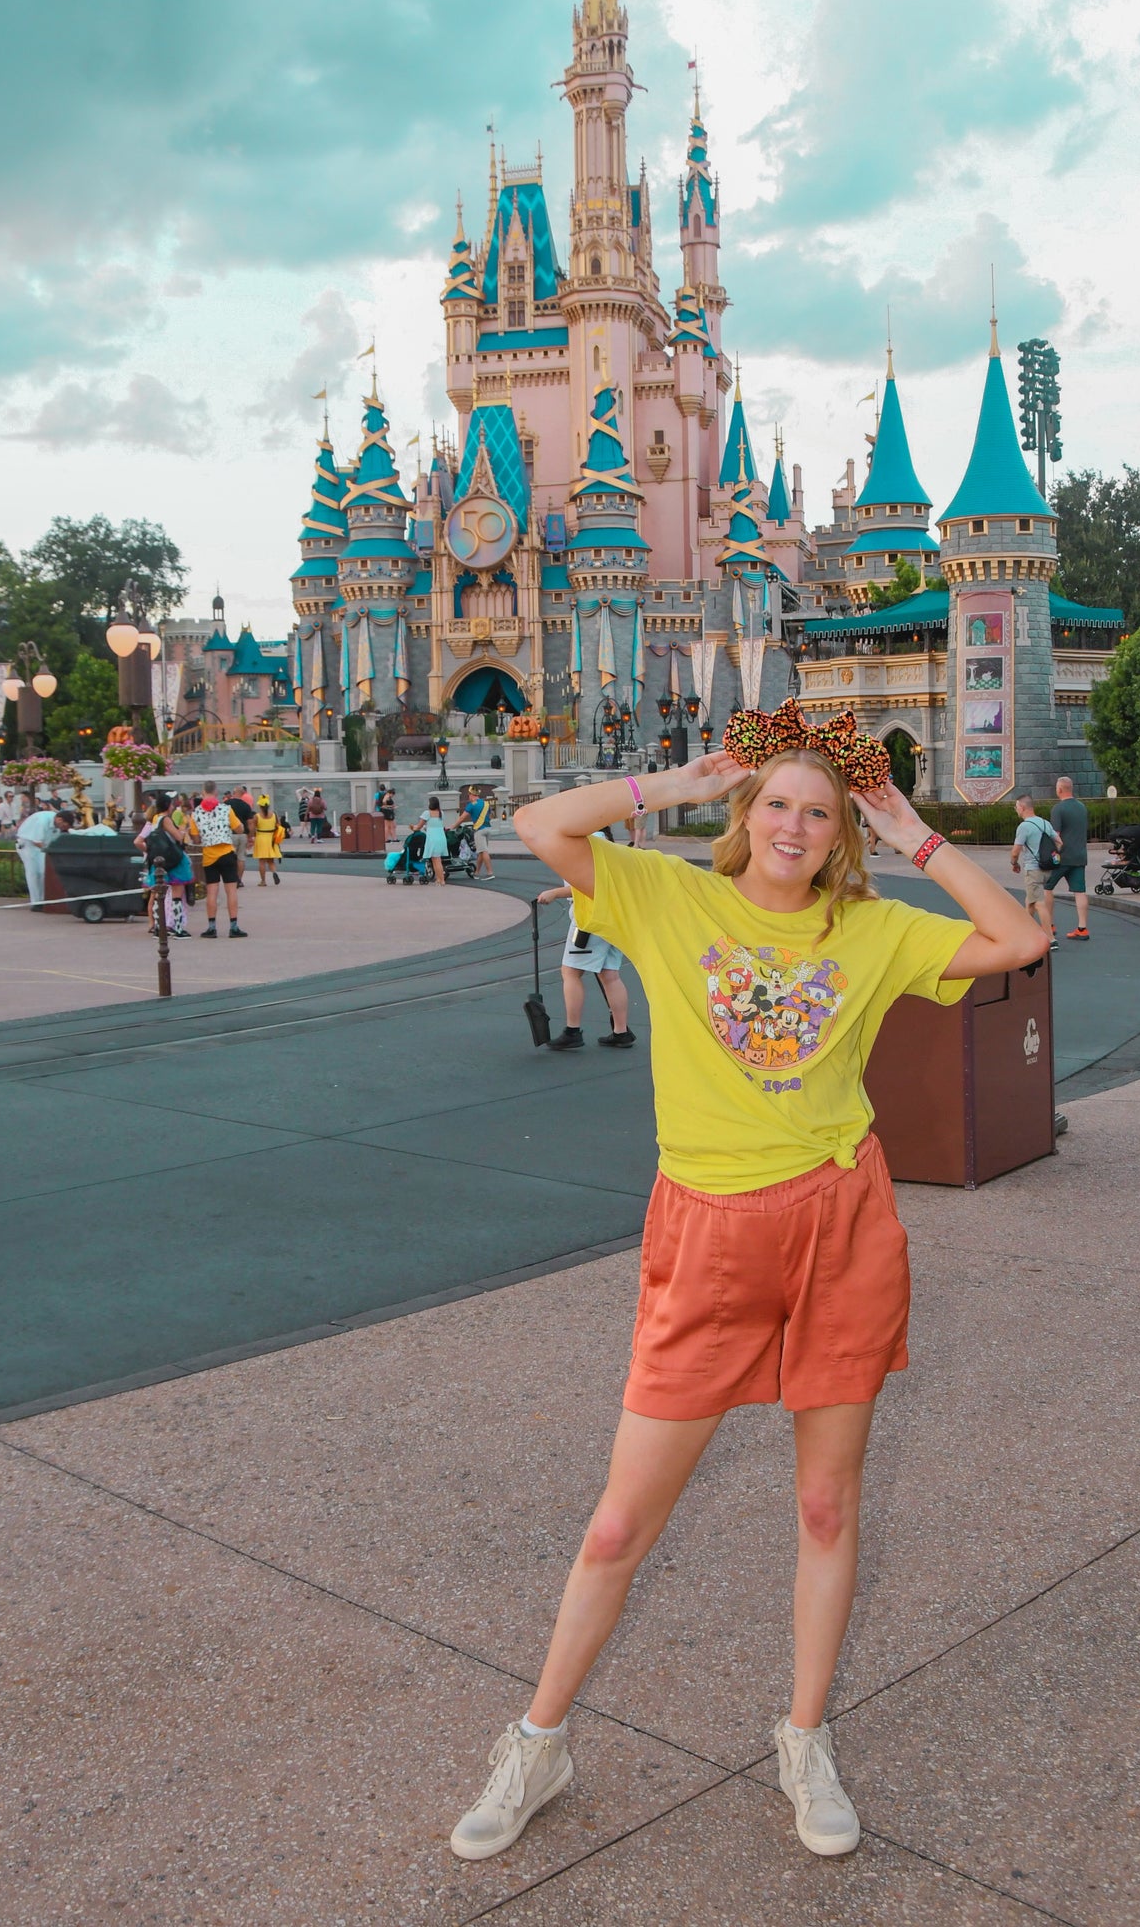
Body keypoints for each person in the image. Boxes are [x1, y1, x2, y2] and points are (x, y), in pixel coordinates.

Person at [449, 725, 1047, 1863]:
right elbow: (536, 827)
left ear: (838, 835)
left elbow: (1016, 936)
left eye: (817, 812)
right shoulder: (671, 897)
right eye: (776, 804)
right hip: (708, 1232)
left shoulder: (872, 930)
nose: (792, 826)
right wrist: (669, 784)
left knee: (825, 1505)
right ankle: (538, 1739)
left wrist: (910, 829)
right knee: (621, 1519)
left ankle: (803, 1734)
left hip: (838, 1224)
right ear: (745, 812)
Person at [535, 879, 635, 1050]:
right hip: (615, 914)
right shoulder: (610, 851)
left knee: (570, 972)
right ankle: (621, 1032)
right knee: (610, 974)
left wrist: (555, 893)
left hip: (589, 917)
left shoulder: (586, 851)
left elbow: (590, 885)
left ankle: (572, 1031)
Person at [190, 786, 247, 937]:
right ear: (216, 793)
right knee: (231, 891)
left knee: (212, 892)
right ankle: (233, 927)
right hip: (227, 852)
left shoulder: (195, 813)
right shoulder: (226, 809)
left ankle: (211, 927)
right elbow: (239, 828)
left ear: (203, 793)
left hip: (209, 855)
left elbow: (195, 838)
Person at [137, 790, 193, 936]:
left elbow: (140, 841)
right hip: (173, 860)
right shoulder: (165, 820)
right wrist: (182, 832)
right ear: (168, 806)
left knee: (158, 895)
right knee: (177, 896)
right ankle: (178, 928)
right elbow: (177, 837)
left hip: (158, 861)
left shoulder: (154, 820)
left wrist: (148, 851)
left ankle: (158, 927)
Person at [1009, 792, 1059, 947]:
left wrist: (1014, 863)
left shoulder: (1024, 826)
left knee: (1038, 902)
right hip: (1047, 868)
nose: (1016, 810)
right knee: (1030, 901)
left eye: (1016, 807)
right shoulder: (1045, 823)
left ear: (1022, 807)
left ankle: (1050, 938)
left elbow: (1016, 850)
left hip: (1033, 869)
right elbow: (1059, 842)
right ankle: (1024, 931)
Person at [1044, 776, 1090, 940]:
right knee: (1080, 892)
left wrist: (1051, 854)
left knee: (1047, 888)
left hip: (1062, 857)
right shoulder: (1082, 807)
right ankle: (1082, 928)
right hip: (1079, 856)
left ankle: (1049, 924)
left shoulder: (1058, 809)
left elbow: (1056, 835)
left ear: (1060, 789)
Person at [15, 804, 74, 905]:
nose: (63, 828)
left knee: (43, 872)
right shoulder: (42, 821)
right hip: (27, 844)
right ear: (59, 820)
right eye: (64, 826)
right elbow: (36, 841)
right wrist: (51, 851)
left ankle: (43, 900)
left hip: (42, 846)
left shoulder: (56, 825)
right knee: (33, 873)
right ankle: (36, 902)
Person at [251, 795, 284, 886]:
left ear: (260, 806)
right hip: (271, 839)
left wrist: (252, 836)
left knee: (262, 861)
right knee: (270, 861)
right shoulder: (274, 815)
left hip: (261, 838)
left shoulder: (257, 816)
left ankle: (263, 881)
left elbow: (253, 830)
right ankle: (274, 872)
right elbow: (279, 826)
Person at [465, 788, 495, 880]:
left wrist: (453, 826)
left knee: (483, 851)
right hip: (488, 828)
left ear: (471, 794)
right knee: (481, 852)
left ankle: (490, 873)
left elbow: (462, 817)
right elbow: (491, 815)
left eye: (469, 795)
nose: (468, 797)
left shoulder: (471, 805)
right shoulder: (486, 803)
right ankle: (476, 873)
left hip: (479, 830)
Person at [422, 795, 448, 885]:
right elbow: (436, 825)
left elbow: (419, 825)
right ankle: (439, 879)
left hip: (433, 839)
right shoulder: (441, 813)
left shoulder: (427, 813)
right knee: (437, 860)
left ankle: (441, 880)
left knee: (436, 860)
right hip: (441, 837)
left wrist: (414, 828)